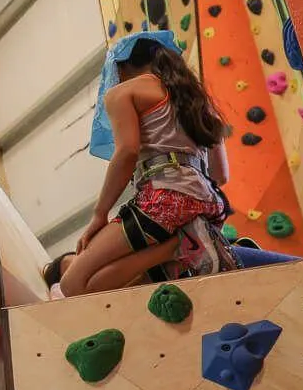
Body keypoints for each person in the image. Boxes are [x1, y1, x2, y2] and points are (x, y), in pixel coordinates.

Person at [62, 31, 236, 298]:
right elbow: (221, 175)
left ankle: (180, 245)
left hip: (162, 201)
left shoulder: (123, 93)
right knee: (133, 282)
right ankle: (185, 242)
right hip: (209, 204)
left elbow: (127, 152)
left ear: (121, 66)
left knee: (72, 285)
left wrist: (100, 213)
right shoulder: (196, 100)